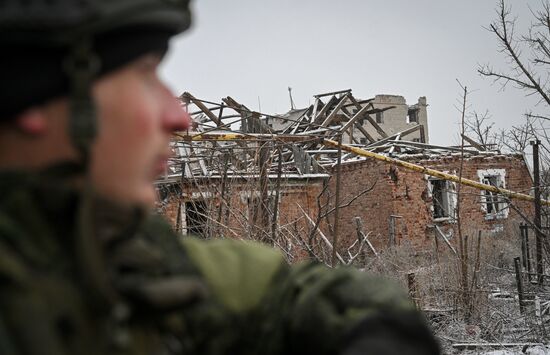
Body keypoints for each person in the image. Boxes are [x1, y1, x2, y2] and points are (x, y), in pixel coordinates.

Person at [0, 1, 440, 354]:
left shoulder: (113, 251)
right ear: (32, 96)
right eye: (144, 75)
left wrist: (370, 326)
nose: (180, 117)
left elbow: (273, 293)